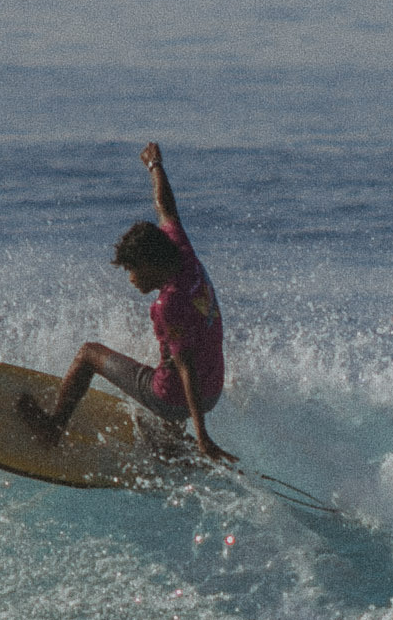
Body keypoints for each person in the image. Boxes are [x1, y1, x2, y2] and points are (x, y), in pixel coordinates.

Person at [17, 143, 235, 463]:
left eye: (132, 270)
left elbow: (185, 365)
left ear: (149, 264)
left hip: (178, 397)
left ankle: (52, 428)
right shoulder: (182, 253)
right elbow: (166, 207)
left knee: (88, 353)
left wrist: (203, 435)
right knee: (172, 358)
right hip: (213, 389)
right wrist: (155, 166)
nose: (131, 279)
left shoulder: (168, 305)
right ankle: (170, 448)